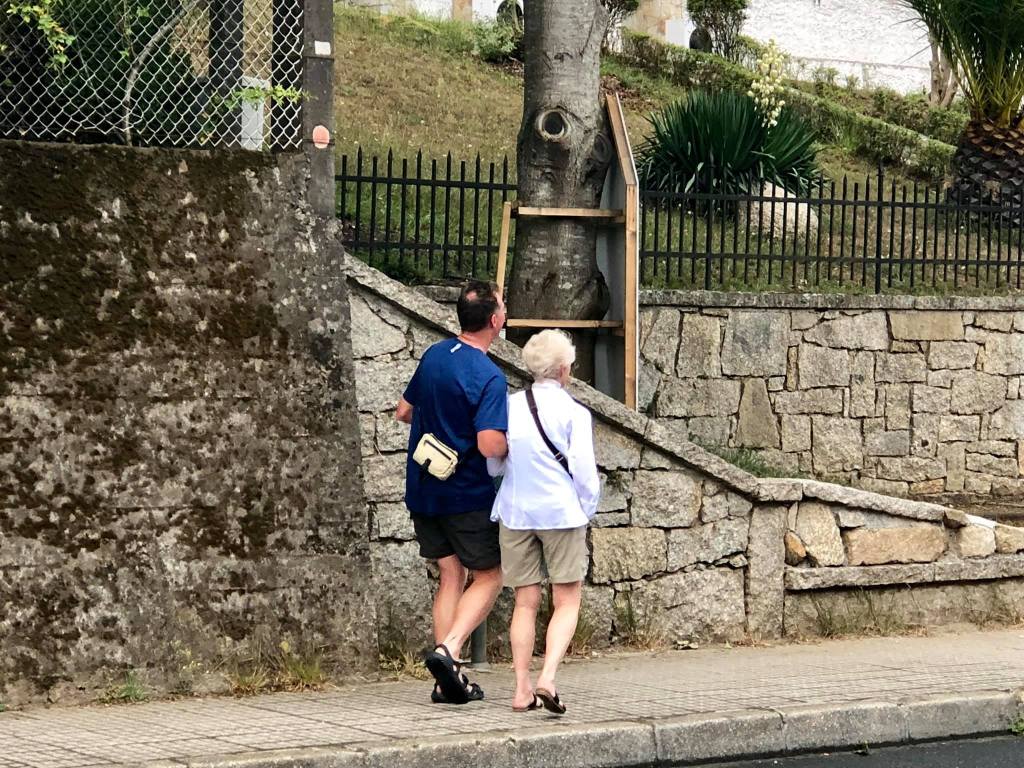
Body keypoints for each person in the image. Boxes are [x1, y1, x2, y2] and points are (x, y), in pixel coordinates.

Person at [395, 280, 508, 705]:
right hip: (466, 494)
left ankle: (448, 681)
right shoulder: (489, 376)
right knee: (490, 575)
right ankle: (450, 649)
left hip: (423, 487)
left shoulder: (434, 355)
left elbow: (404, 411)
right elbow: (489, 445)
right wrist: (513, 444)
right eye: (503, 306)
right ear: (495, 321)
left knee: (450, 575)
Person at [488, 330, 600, 715]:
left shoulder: (509, 406)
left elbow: (494, 461)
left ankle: (521, 689)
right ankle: (548, 677)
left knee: (525, 602)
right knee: (566, 599)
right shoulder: (575, 413)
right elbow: (584, 473)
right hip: (561, 513)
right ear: (565, 368)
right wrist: (585, 509)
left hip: (516, 511)